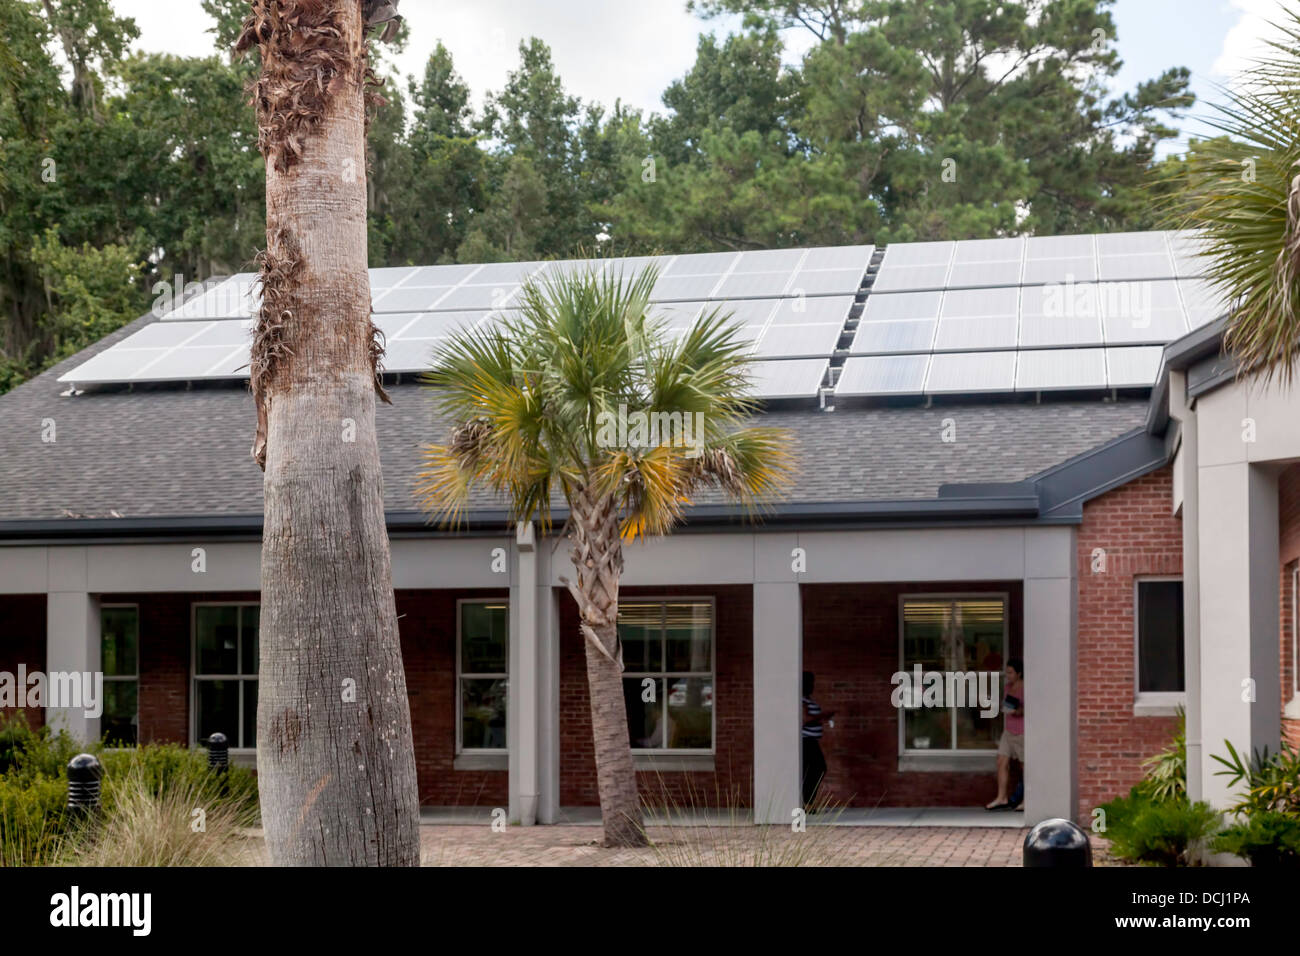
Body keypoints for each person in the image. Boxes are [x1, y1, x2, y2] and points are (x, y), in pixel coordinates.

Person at [985, 658, 1024, 811]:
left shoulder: (1026, 687)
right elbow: (1006, 704)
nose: (1007, 675)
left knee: (1024, 766)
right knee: (1001, 761)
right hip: (1008, 731)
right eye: (1006, 672)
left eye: (1010, 672)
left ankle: (1027, 801)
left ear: (1019, 673)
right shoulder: (1008, 687)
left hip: (1022, 731)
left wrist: (1017, 711)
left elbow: (1032, 708)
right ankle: (1001, 797)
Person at [801, 671, 835, 809]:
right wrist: (822, 715)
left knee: (812, 770)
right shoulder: (800, 700)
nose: (811, 686)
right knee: (818, 768)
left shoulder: (808, 700)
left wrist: (823, 718)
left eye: (812, 683)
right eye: (809, 683)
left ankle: (808, 802)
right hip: (805, 742)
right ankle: (807, 802)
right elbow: (803, 719)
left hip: (811, 741)